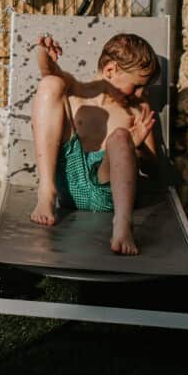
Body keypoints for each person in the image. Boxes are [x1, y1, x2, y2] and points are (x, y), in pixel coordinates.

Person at [28, 32, 159, 255]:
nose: (141, 93)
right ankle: (46, 191)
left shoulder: (138, 110)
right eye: (137, 85)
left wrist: (135, 145)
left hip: (109, 191)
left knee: (120, 136)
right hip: (69, 183)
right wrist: (43, 53)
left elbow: (152, 169)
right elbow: (49, 71)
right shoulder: (77, 89)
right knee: (50, 84)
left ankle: (123, 224)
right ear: (110, 70)